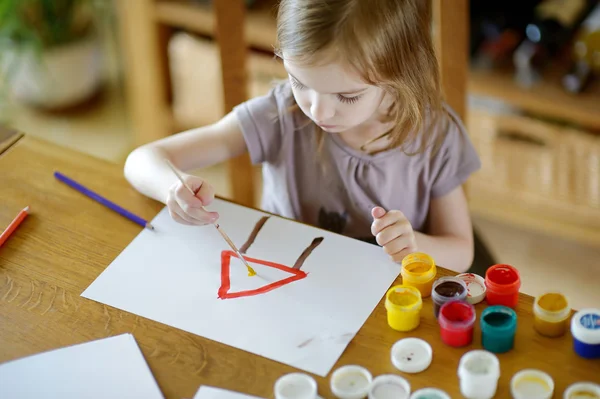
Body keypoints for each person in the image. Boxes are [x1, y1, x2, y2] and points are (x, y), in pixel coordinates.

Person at [123, 0, 481, 272]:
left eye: (347, 96)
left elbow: (462, 252)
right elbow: (142, 159)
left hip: (383, 300)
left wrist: (413, 244)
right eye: (300, 82)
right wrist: (173, 188)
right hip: (285, 281)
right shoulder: (282, 115)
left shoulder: (435, 135)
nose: (319, 111)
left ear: (399, 73)